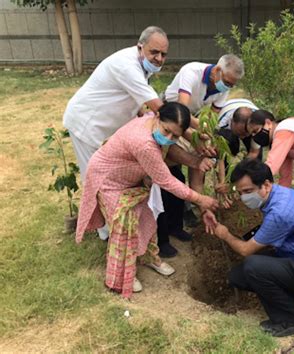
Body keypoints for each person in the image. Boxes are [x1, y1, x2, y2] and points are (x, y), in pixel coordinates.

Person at [75, 102, 218, 298]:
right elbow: (165, 180)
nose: (168, 138)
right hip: (109, 179)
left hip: (131, 176)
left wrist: (195, 161)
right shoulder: (143, 143)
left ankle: (150, 257)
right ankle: (122, 275)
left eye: (175, 135)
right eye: (167, 131)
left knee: (147, 216)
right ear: (158, 117)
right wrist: (200, 199)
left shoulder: (153, 125)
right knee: (124, 224)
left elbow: (170, 149)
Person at [206, 159, 294, 337]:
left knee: (253, 266)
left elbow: (245, 251)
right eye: (240, 192)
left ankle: (291, 320)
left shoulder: (281, 212)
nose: (244, 198)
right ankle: (288, 296)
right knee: (237, 277)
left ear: (267, 185)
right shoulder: (279, 195)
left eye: (248, 191)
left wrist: (225, 235)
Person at [63, 26, 168, 240]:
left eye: (163, 54)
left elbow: (135, 99)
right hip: (87, 124)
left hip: (106, 129)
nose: (158, 58)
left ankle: (116, 223)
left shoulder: (140, 66)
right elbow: (160, 109)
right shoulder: (126, 65)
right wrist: (191, 127)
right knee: (95, 178)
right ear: (140, 47)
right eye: (154, 52)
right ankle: (107, 234)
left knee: (111, 176)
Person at [157, 54, 244, 248]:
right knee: (170, 172)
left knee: (196, 164)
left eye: (232, 85)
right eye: (227, 82)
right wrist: (199, 134)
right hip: (171, 116)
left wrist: (204, 138)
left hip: (193, 119)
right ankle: (164, 232)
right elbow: (182, 111)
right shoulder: (191, 72)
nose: (228, 88)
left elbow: (210, 118)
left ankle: (184, 219)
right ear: (217, 71)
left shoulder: (223, 88)